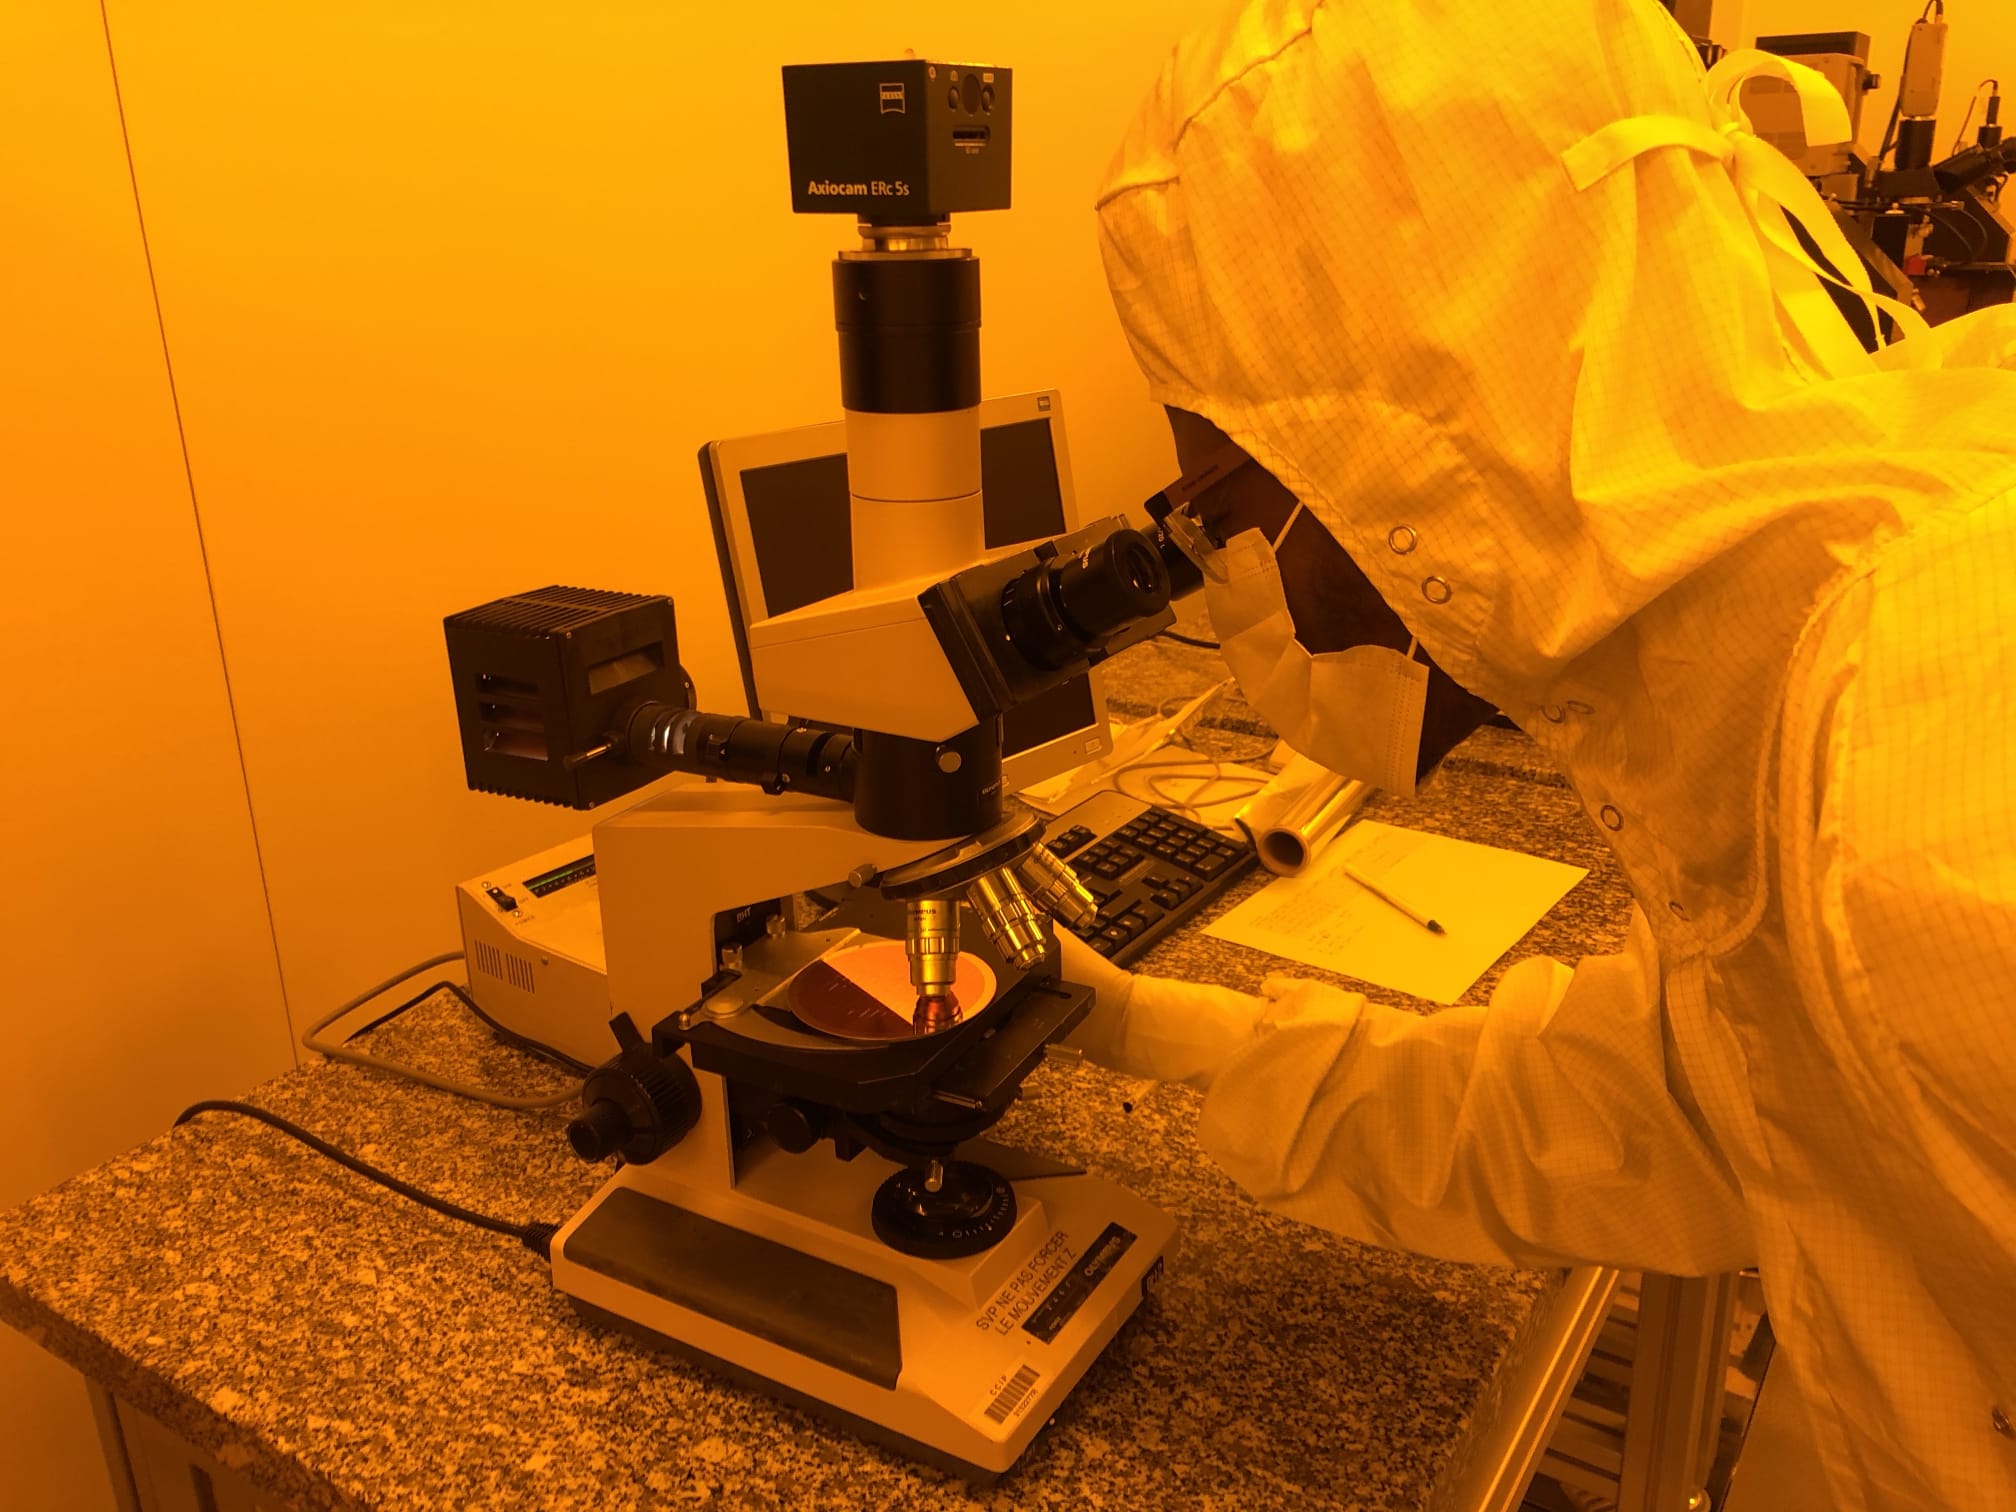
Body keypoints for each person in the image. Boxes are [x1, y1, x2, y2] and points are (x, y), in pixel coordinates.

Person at [1059, 2, 2016, 1508]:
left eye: (1222, 507)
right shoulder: (1790, 697)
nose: (1230, 575)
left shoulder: (1928, 814)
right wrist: (1130, 1024)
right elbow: (1664, 1109)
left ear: (1397, 449)